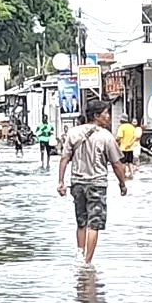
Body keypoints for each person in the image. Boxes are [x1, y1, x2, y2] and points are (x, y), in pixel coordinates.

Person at [57, 100, 128, 266]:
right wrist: (122, 184)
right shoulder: (106, 136)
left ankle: (80, 254)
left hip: (77, 183)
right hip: (97, 184)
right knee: (93, 224)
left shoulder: (73, 133)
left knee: (81, 221)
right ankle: (87, 264)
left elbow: (64, 158)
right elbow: (117, 164)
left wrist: (61, 181)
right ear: (97, 116)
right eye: (106, 113)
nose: (108, 117)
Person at [115, 113, 137, 178]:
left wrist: (115, 141)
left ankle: (123, 175)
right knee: (130, 162)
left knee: (123, 162)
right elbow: (135, 137)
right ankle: (131, 174)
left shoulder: (121, 127)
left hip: (123, 148)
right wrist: (130, 144)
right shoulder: (131, 127)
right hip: (130, 148)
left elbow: (119, 136)